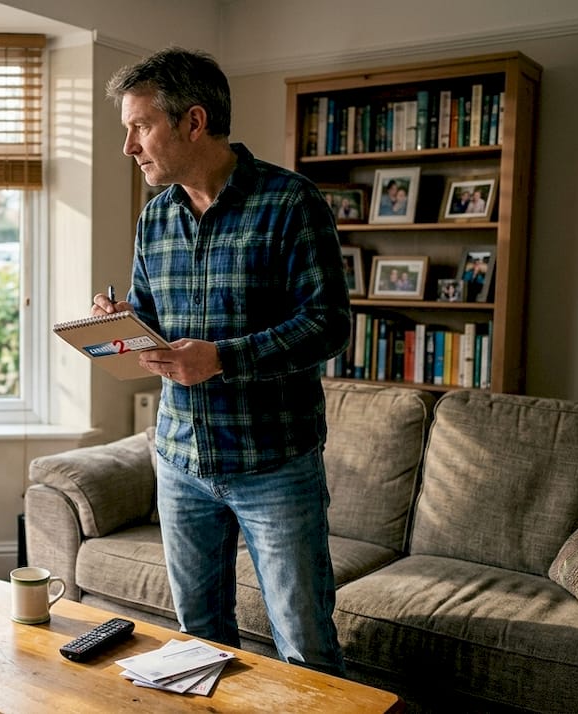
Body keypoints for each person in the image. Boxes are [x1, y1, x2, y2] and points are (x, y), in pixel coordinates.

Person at [94, 47, 351, 676]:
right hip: (180, 459)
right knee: (198, 643)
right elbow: (155, 328)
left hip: (275, 464)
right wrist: (121, 325)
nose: (129, 146)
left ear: (193, 121)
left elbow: (329, 325)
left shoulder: (292, 203)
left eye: (139, 126)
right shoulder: (155, 218)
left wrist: (223, 359)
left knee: (305, 648)